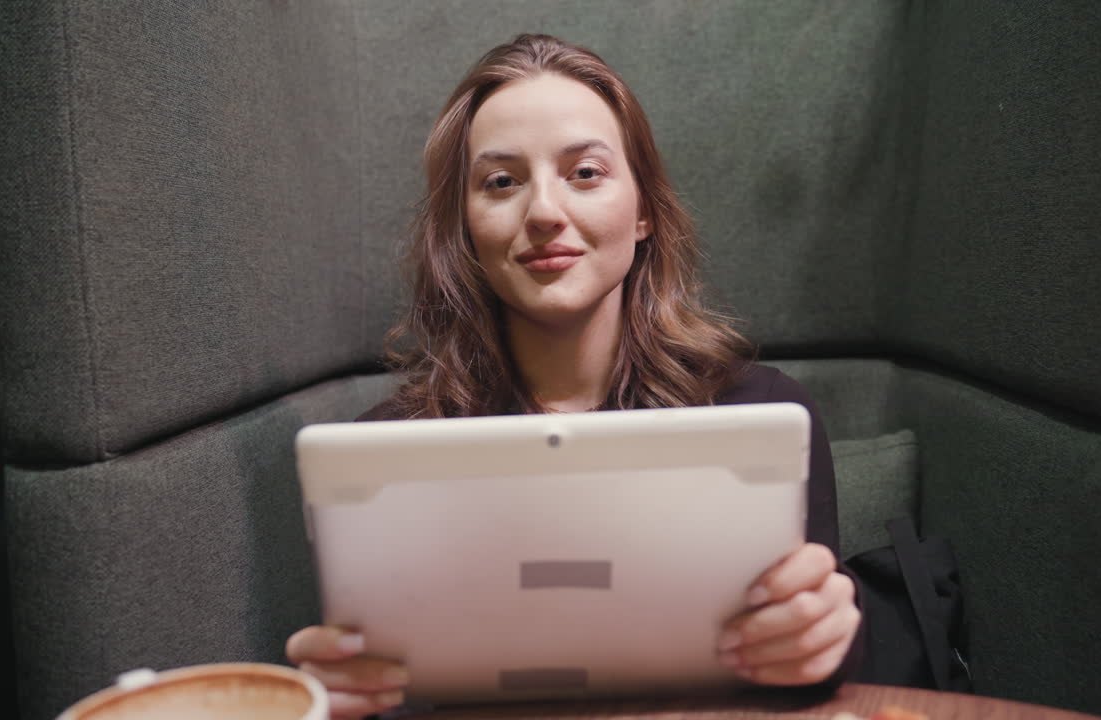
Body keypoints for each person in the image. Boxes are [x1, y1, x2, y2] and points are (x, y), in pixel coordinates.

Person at [286, 33, 863, 719]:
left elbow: (825, 668)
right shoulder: (387, 453)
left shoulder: (761, 413)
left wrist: (828, 642)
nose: (544, 214)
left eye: (584, 173)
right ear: (465, 229)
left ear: (644, 210)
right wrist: (332, 696)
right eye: (501, 182)